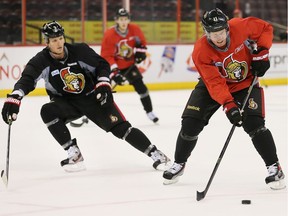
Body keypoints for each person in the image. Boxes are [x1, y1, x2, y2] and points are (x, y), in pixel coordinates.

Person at [1, 21, 170, 172]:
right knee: (47, 111)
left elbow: (101, 65)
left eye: (60, 38)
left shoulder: (79, 51)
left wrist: (103, 82)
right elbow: (27, 80)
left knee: (122, 130)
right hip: (67, 103)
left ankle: (156, 154)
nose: (59, 43)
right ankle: (74, 154)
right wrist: (15, 98)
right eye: (54, 40)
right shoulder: (40, 61)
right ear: (46, 42)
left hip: (93, 98)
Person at [162, 8, 285, 190]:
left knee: (255, 125)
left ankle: (274, 167)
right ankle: (179, 163)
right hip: (213, 85)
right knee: (190, 124)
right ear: (206, 32)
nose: (218, 37)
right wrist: (229, 105)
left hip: (244, 83)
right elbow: (214, 82)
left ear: (227, 28)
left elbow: (265, 28)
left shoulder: (239, 26)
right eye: (213, 33)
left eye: (221, 32)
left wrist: (262, 51)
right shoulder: (201, 51)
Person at [100, 8, 159, 123]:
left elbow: (141, 43)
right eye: (121, 19)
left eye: (125, 19)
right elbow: (106, 55)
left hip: (129, 65)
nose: (123, 22)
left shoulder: (135, 29)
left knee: (142, 88)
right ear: (116, 20)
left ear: (129, 20)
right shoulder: (109, 34)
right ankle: (91, 113)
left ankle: (149, 112)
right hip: (113, 67)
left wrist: (141, 52)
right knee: (104, 91)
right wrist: (114, 71)